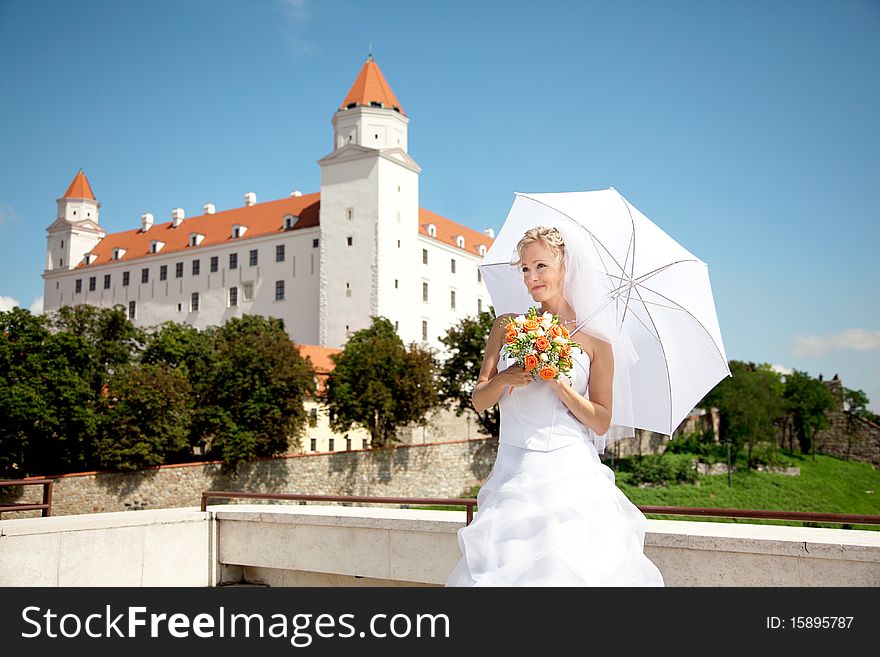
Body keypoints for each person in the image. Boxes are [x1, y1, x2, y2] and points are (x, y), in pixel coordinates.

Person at [445, 226, 665, 586]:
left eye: (541, 265)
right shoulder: (507, 325)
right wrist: (505, 378)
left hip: (570, 474)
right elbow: (480, 400)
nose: (531, 277)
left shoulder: (596, 341)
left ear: (567, 267)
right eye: (525, 268)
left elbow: (601, 421)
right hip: (512, 471)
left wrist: (561, 386)